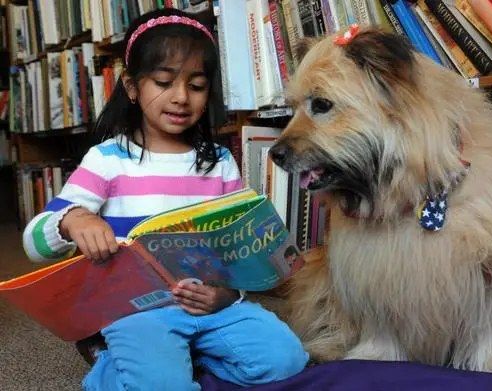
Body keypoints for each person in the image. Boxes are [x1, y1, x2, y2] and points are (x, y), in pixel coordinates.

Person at [22, 9, 308, 391]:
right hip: (137, 310)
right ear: (132, 87)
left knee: (285, 360)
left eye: (197, 85)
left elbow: (238, 250)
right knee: (162, 384)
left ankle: (181, 354)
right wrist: (73, 220)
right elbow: (34, 241)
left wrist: (227, 294)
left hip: (209, 305)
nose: (180, 97)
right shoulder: (107, 159)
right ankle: (112, 360)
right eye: (163, 81)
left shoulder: (220, 162)